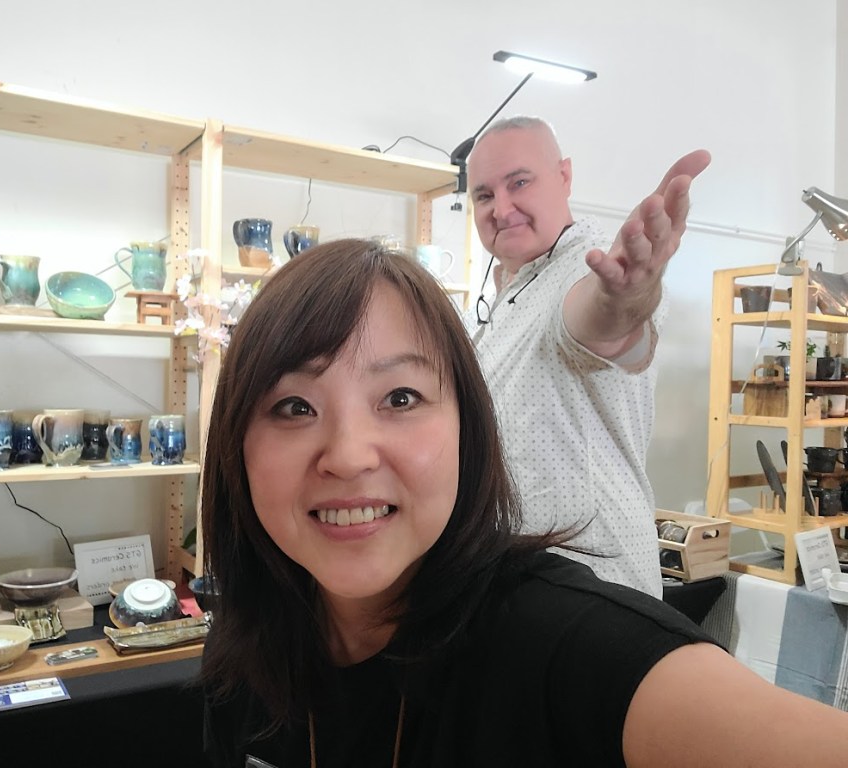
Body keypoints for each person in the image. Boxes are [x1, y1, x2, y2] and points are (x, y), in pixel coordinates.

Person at [197, 239, 848, 767]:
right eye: (294, 407)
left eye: (400, 398)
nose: (347, 456)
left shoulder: (561, 643)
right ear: (236, 445)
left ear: (468, 426)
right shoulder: (246, 646)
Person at [466, 116, 712, 597]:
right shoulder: (504, 291)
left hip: (599, 592)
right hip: (516, 586)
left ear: (564, 176)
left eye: (519, 182)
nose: (502, 208)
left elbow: (600, 323)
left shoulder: (589, 266)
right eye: (484, 195)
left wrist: (624, 296)